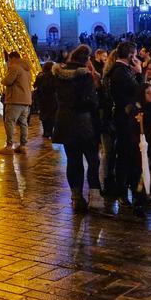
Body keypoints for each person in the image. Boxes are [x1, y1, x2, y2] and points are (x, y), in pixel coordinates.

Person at [54, 45, 100, 212]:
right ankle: (95, 196)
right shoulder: (85, 76)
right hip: (84, 122)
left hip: (64, 122)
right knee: (93, 160)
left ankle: (76, 197)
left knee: (73, 161)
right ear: (86, 59)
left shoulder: (58, 74)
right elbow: (91, 102)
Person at [107, 42, 145, 212]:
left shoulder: (119, 70)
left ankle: (131, 191)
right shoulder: (121, 72)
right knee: (124, 156)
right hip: (125, 120)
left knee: (128, 156)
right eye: (135, 55)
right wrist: (139, 73)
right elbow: (138, 92)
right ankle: (123, 192)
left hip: (125, 119)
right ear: (130, 55)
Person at [0, 52, 33, 154]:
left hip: (15, 99)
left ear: (13, 58)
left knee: (10, 122)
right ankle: (23, 145)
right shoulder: (27, 69)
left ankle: (9, 146)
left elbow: (7, 81)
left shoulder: (15, 67)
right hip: (26, 100)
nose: (9, 62)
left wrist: (3, 79)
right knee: (23, 123)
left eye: (9, 59)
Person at [34, 61, 59, 142]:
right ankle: (50, 131)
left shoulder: (40, 75)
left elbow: (35, 85)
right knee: (52, 115)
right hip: (52, 98)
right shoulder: (54, 76)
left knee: (44, 114)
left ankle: (45, 132)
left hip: (42, 98)